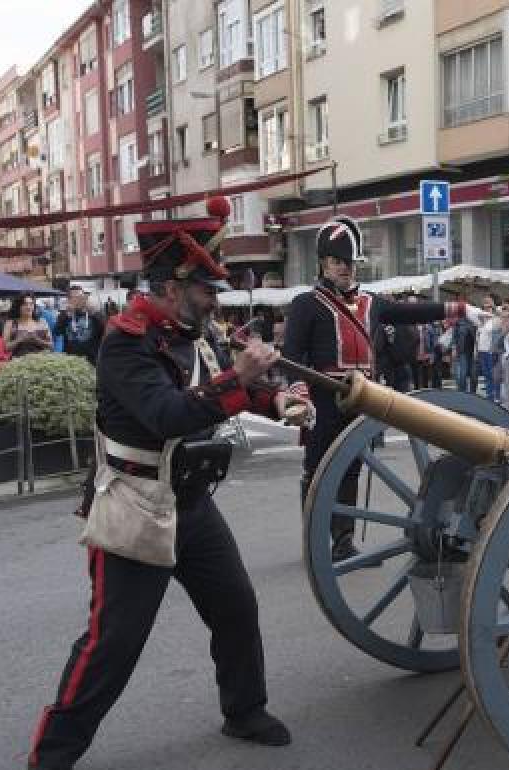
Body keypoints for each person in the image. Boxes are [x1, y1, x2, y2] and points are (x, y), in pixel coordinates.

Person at [28, 198, 304, 769]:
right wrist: (240, 377)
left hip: (191, 502)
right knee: (113, 645)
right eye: (207, 288)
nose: (215, 298)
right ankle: (51, 756)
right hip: (135, 504)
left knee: (236, 606)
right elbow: (169, 413)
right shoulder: (124, 343)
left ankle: (243, 710)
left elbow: (227, 390)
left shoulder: (192, 333)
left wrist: (277, 397)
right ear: (172, 287)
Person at [281, 215, 470, 561]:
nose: (345, 269)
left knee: (352, 468)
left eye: (350, 263)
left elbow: (407, 313)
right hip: (325, 397)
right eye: (338, 262)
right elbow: (291, 353)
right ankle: (313, 539)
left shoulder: (371, 301)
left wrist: (455, 308)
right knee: (319, 468)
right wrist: (299, 391)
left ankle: (343, 541)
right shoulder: (306, 304)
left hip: (361, 396)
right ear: (323, 263)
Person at [55, 287, 106, 364]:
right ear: (69, 300)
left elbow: (104, 331)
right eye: (74, 297)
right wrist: (66, 315)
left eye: (79, 297)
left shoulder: (94, 313)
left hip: (91, 359)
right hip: (71, 360)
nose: (77, 300)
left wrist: (93, 313)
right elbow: (57, 332)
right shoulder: (64, 315)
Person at [3, 294, 54, 358]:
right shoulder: (10, 323)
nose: (28, 307)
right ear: (19, 306)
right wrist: (19, 339)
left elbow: (51, 346)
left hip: (41, 362)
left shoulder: (42, 322)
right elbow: (5, 348)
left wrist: (37, 340)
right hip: (18, 364)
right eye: (25, 304)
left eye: (31, 304)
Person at [476, 298, 500, 402]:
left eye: (489, 307)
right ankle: (489, 394)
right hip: (482, 350)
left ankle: (494, 395)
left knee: (492, 374)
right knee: (486, 373)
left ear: (492, 308)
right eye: (485, 307)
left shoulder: (495, 319)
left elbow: (494, 333)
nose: (487, 309)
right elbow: (478, 337)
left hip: (490, 350)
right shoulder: (481, 321)